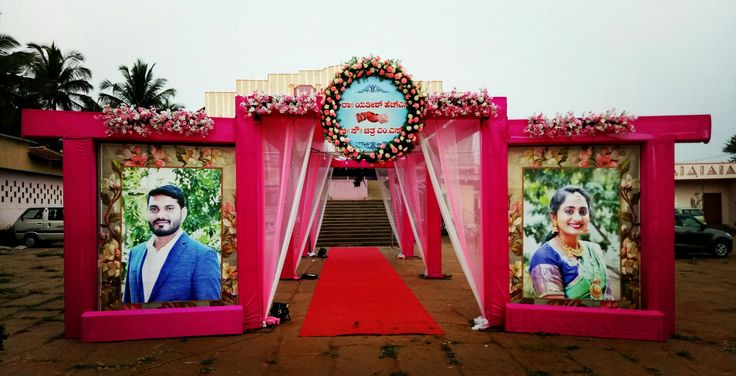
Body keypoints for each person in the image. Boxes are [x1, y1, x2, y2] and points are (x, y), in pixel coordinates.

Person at [123, 184, 221, 304]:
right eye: (154, 209)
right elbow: (128, 306)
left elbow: (209, 313)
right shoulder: (136, 253)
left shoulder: (202, 256)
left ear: (183, 213)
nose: (160, 215)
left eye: (169, 208)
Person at [528, 185, 613, 300]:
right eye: (569, 211)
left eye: (583, 212)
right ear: (554, 218)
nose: (578, 218)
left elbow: (609, 298)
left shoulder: (594, 249)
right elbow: (556, 310)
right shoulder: (544, 257)